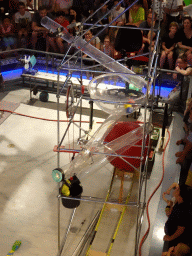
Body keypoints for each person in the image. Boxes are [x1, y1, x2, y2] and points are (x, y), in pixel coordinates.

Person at [163, 185, 190, 252]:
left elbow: (180, 229)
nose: (176, 189)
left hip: (174, 239)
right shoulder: (179, 202)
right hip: (170, 230)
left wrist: (169, 238)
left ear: (180, 195)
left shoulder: (183, 211)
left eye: (178, 189)